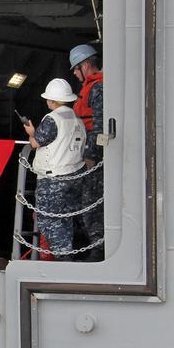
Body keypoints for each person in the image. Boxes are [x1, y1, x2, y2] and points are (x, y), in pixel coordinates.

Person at [22, 78, 86, 260]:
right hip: (75, 175)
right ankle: (72, 254)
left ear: (51, 101)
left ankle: (64, 258)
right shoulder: (76, 119)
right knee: (67, 217)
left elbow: (36, 142)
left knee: (49, 219)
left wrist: (30, 132)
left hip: (53, 178)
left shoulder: (52, 119)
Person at [69, 43, 104, 259]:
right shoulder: (90, 87)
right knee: (86, 202)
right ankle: (96, 244)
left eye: (75, 68)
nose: (74, 73)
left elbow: (99, 124)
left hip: (96, 158)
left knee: (91, 202)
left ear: (86, 64)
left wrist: (91, 155)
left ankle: (99, 247)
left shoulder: (98, 88)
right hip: (87, 154)